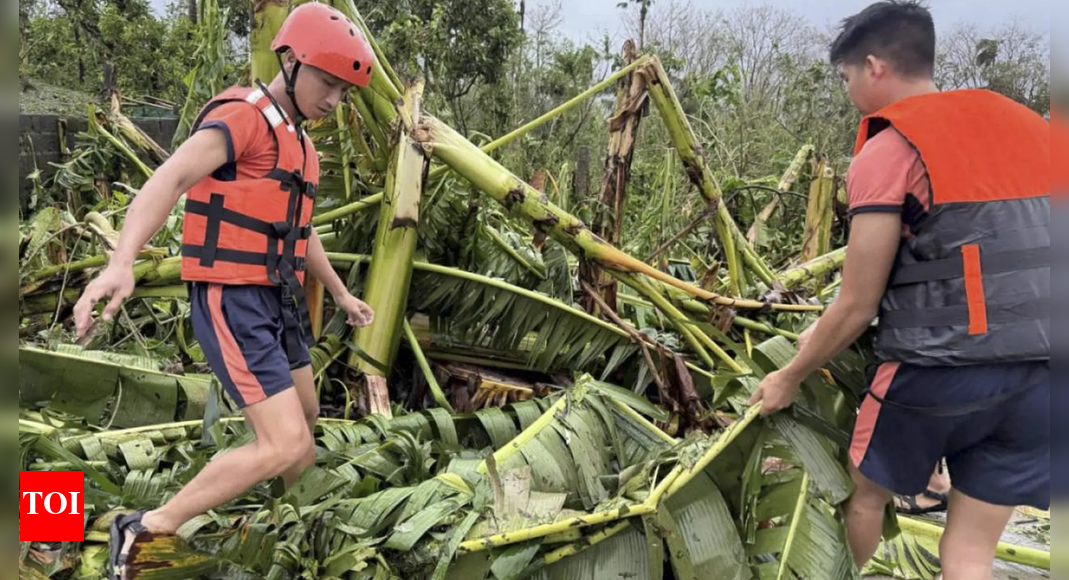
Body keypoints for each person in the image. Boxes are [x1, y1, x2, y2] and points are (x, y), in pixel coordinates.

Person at [71, 4, 379, 579]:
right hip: (232, 296)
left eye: (345, 90)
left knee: (306, 423)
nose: (335, 99)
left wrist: (338, 292)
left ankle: (288, 533)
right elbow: (172, 177)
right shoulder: (244, 118)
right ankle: (147, 525)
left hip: (277, 298)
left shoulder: (303, 147)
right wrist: (121, 262)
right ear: (291, 61)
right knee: (286, 444)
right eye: (328, 82)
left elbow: (299, 228)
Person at [747, 2, 1050, 580]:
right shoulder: (1030, 127)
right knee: (969, 553)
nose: (849, 92)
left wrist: (789, 376)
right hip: (1043, 375)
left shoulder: (892, 148)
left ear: (873, 66)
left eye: (846, 79)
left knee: (864, 497)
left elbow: (858, 304)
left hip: (936, 372)